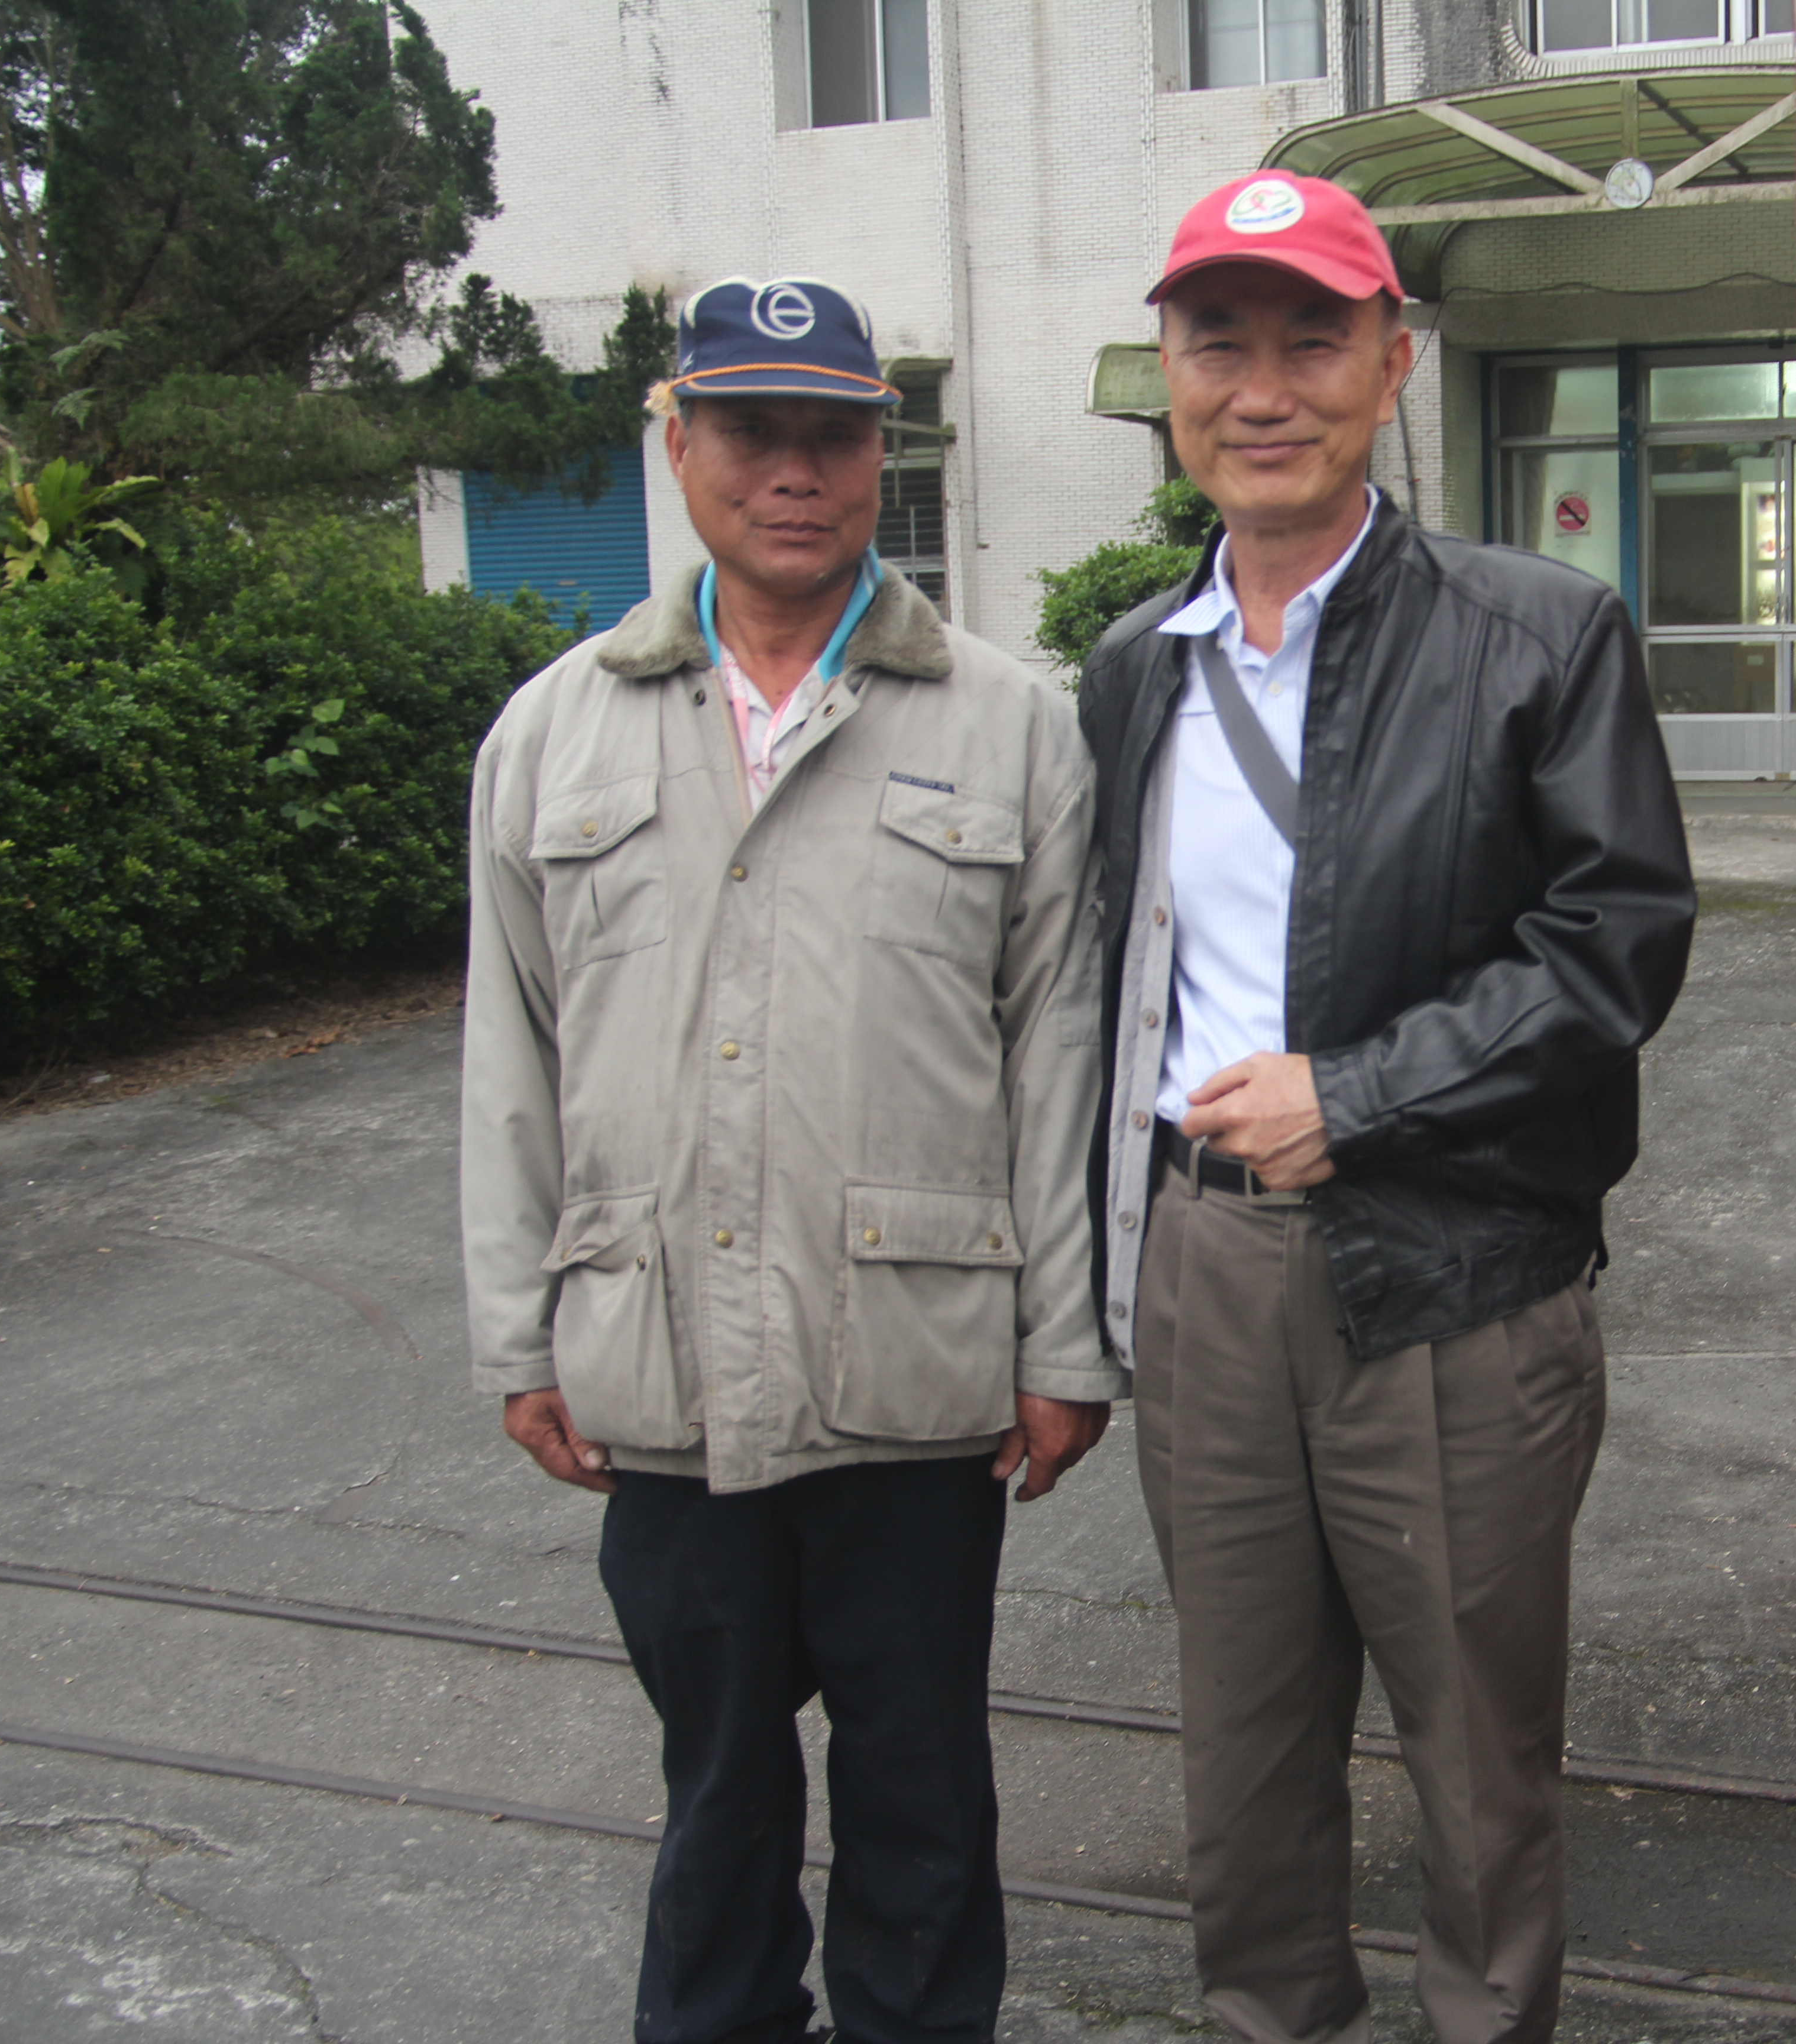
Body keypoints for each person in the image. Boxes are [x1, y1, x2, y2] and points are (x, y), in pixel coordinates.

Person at [1076, 173, 1697, 2044]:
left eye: (1312, 340)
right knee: (1241, 1739)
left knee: (1476, 1753)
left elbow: (1617, 946)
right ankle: (1272, 2017)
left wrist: (1363, 1095)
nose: (1263, 390)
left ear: (1391, 366)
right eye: (1220, 343)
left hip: (1457, 1285)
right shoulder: (1134, 669)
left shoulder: (1537, 632)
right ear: (1169, 376)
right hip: (1207, 1274)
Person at [459, 274, 1115, 2044]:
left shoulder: (1010, 724)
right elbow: (509, 1055)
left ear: (881, 450)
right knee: (718, 1799)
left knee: (922, 1805)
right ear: (678, 443)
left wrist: (1067, 1349)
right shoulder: (555, 732)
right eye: (751, 429)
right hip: (660, 1373)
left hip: (913, 1374)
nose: (795, 470)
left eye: (833, 432)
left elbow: (1056, 1053)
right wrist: (519, 1335)